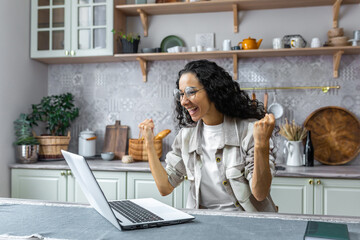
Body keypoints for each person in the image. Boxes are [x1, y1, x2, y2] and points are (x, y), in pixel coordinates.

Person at [139, 60, 277, 212]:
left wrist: (261, 144)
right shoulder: (186, 137)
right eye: (181, 94)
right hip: (203, 223)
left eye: (191, 92)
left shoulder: (249, 132)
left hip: (246, 224)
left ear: (213, 90)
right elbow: (165, 187)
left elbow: (260, 193)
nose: (184, 101)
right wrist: (149, 145)